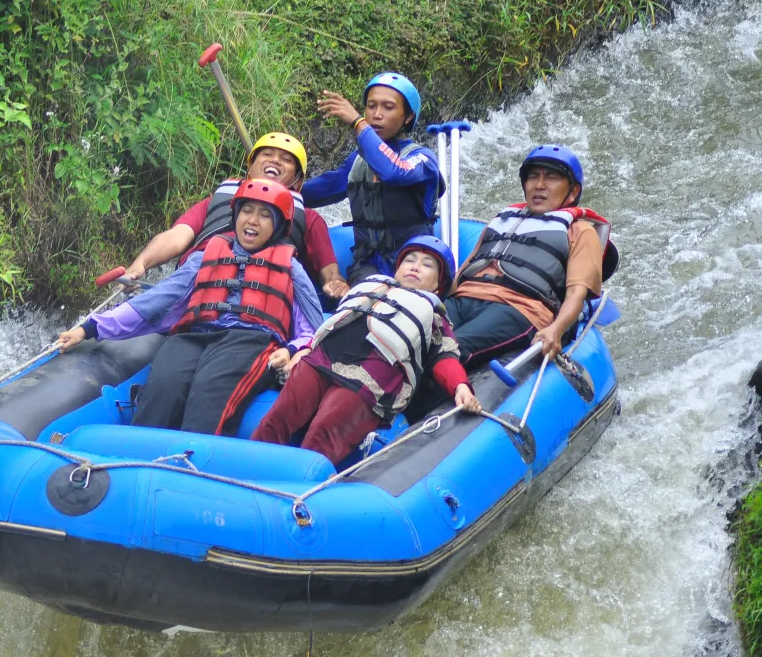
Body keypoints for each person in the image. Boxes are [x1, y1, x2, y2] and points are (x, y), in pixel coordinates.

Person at [58, 179, 322, 436]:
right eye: (247, 211)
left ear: (278, 226)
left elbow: (315, 330)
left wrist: (291, 350)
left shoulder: (291, 269)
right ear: (236, 215)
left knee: (209, 393)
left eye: (265, 215)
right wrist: (91, 327)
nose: (253, 220)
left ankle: (190, 467)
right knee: (162, 389)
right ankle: (136, 464)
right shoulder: (203, 257)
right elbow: (157, 300)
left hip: (251, 340)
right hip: (193, 336)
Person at [251, 236, 480, 465]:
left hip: (367, 383)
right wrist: (302, 350)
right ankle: (247, 469)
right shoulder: (370, 286)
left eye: (427, 265)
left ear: (438, 284)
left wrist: (460, 386)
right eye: (409, 260)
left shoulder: (433, 315)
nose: (415, 266)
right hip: (322, 362)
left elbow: (444, 357)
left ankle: (296, 488)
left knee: (323, 432)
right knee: (277, 419)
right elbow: (329, 325)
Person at [445, 144, 617, 365]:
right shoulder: (504, 220)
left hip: (518, 309)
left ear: (573, 191)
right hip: (463, 301)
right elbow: (464, 272)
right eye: (533, 177)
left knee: (451, 348)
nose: (540, 185)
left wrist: (555, 330)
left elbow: (576, 293)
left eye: (552, 178)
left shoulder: (580, 231)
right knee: (410, 339)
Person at [125, 133, 349, 298]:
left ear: (297, 181)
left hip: (258, 294)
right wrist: (141, 264)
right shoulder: (217, 201)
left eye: (286, 160)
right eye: (267, 154)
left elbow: (329, 272)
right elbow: (177, 236)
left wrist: (336, 284)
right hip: (199, 279)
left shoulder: (308, 218)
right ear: (250, 169)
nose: (275, 161)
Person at [304, 72, 445, 284]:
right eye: (371, 106)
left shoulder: (423, 159)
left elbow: (393, 172)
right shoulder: (358, 160)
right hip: (367, 267)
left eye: (388, 107)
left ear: (407, 117)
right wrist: (279, 189)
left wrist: (358, 123)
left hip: (413, 266)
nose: (377, 114)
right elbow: (325, 189)